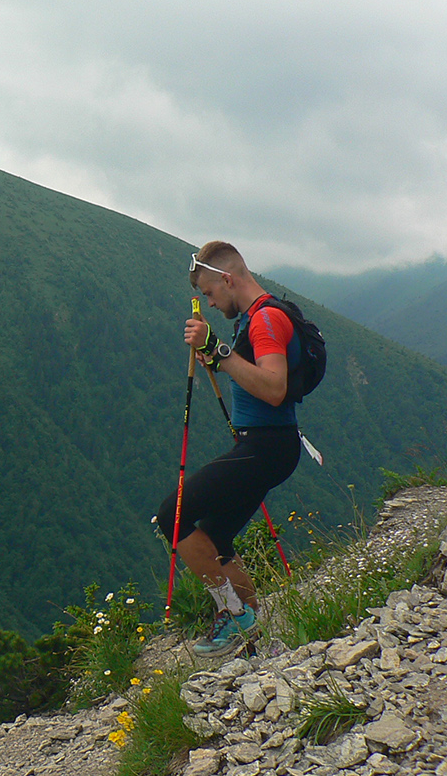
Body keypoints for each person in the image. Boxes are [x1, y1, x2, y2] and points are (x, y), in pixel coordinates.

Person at [157, 241, 302, 658]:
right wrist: (214, 355)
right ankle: (249, 629)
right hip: (268, 446)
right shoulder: (256, 317)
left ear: (227, 278)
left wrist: (218, 350)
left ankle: (235, 615)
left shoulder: (266, 319)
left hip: (268, 446)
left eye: (209, 292)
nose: (210, 302)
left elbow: (274, 388)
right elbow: (251, 374)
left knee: (172, 515)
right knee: (215, 534)